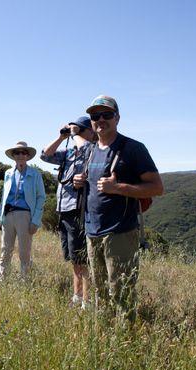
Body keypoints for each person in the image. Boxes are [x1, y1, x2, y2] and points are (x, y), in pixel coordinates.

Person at [73, 95, 163, 321]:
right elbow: (91, 184)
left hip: (120, 231)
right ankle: (103, 337)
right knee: (100, 291)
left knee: (121, 292)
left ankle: (125, 342)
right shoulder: (91, 150)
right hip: (92, 231)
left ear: (117, 118)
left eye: (107, 114)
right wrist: (80, 181)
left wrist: (119, 187)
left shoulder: (133, 148)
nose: (100, 119)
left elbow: (157, 187)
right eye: (95, 116)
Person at [40, 117, 97, 308]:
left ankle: (87, 301)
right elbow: (45, 155)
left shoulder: (92, 149)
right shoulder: (69, 152)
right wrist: (61, 136)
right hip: (63, 208)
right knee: (74, 258)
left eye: (81, 130)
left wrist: (75, 134)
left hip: (78, 209)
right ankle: (77, 296)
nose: (78, 134)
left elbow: (87, 148)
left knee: (82, 258)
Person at [0, 142, 46, 280]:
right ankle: (2, 279)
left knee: (24, 251)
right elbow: (3, 197)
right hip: (8, 214)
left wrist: (35, 220)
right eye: (17, 152)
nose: (20, 155)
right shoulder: (8, 173)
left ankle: (24, 281)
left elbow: (41, 197)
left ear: (28, 155)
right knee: (5, 249)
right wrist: (0, 218)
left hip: (25, 215)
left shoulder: (35, 174)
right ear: (13, 156)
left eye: (23, 152)